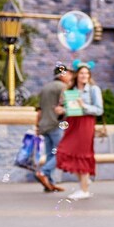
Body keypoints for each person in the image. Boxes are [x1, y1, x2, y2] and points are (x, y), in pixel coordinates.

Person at [57, 61, 104, 200]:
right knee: (64, 151)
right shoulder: (71, 90)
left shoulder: (94, 89)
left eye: (87, 73)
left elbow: (99, 110)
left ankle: (84, 189)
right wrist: (62, 110)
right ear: (77, 74)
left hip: (86, 123)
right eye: (82, 73)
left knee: (82, 154)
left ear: (89, 75)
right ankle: (85, 180)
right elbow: (72, 109)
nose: (84, 75)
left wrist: (84, 106)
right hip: (73, 123)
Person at [34, 64, 71, 193]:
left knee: (51, 154)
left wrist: (37, 126)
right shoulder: (63, 88)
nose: (70, 77)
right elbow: (68, 106)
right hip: (56, 125)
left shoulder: (45, 88)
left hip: (44, 125)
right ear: (62, 75)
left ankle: (50, 183)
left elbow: (39, 110)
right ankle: (43, 173)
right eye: (68, 74)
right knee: (62, 152)